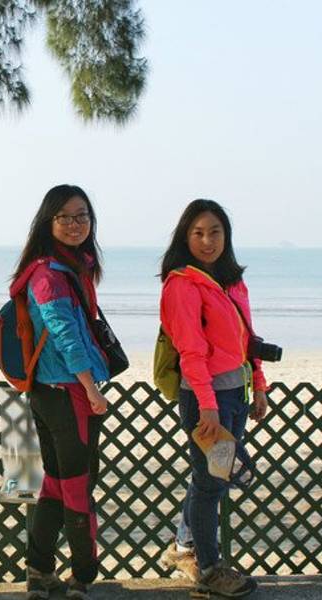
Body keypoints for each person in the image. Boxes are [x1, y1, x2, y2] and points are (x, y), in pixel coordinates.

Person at [158, 199, 268, 598]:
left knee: (212, 478)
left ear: (226, 235)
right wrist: (207, 406)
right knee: (210, 484)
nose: (208, 241)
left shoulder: (231, 282)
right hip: (207, 398)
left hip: (235, 393)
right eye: (198, 233)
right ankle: (208, 569)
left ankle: (183, 546)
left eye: (215, 232)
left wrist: (258, 383)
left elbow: (248, 338)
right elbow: (190, 351)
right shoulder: (182, 285)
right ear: (185, 237)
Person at [11, 184, 110, 600]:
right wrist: (91, 389)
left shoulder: (66, 268)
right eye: (65, 216)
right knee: (77, 486)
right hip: (68, 393)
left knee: (54, 483)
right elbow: (65, 336)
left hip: (48, 391)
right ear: (48, 222)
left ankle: (39, 572)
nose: (75, 224)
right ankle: (82, 577)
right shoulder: (50, 275)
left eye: (82, 215)